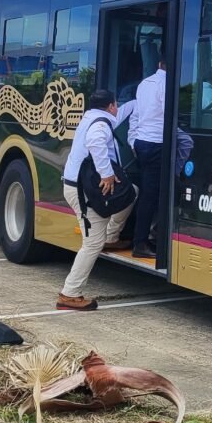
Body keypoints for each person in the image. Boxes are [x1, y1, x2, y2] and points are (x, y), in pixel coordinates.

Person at [57, 89, 133, 311]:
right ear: (111, 106)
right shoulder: (101, 125)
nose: (118, 108)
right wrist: (106, 173)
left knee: (131, 193)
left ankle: (112, 234)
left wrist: (139, 101)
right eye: (116, 105)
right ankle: (69, 294)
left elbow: (126, 110)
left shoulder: (91, 116)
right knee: (92, 244)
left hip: (77, 184)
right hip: (84, 191)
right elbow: (95, 142)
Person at [129, 59, 168, 259]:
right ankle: (142, 242)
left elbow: (136, 114)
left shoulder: (144, 83)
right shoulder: (166, 84)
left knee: (149, 193)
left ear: (159, 62)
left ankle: (146, 237)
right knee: (154, 195)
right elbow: (170, 114)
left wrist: (133, 141)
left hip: (143, 142)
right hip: (157, 144)